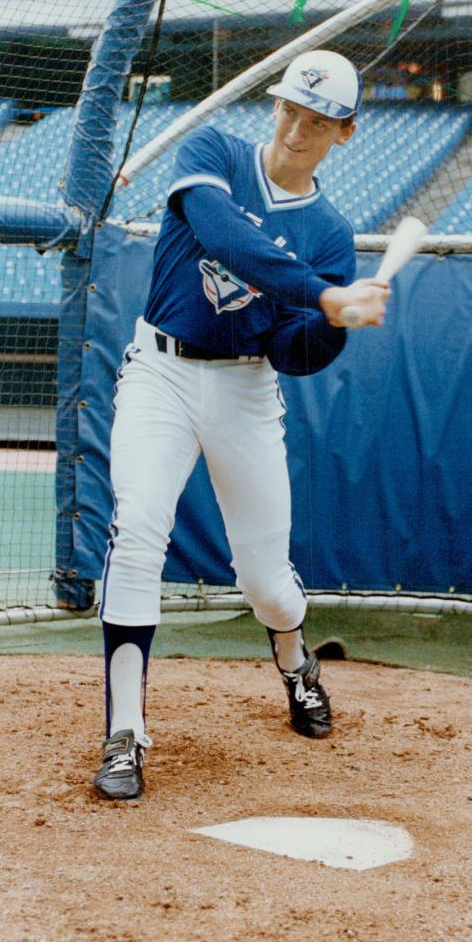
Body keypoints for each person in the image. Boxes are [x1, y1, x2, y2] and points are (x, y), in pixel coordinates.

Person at [93, 50, 390, 801]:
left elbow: (291, 349)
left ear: (344, 133)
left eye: (317, 120)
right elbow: (219, 233)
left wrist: (334, 326)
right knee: (137, 533)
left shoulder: (329, 233)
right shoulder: (214, 153)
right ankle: (124, 730)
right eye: (289, 109)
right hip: (159, 369)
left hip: (245, 390)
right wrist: (324, 295)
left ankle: (295, 663)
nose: (296, 129)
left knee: (266, 581)